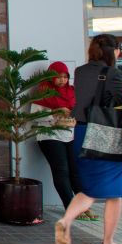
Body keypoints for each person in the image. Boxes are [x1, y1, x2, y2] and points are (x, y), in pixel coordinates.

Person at [54, 34, 122, 244]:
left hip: (80, 131)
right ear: (112, 51)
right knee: (115, 192)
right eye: (118, 50)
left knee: (89, 188)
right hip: (105, 133)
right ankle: (108, 242)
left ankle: (66, 220)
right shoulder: (112, 73)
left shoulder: (80, 71)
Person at [32, 62, 86, 217]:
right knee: (61, 170)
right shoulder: (43, 92)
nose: (62, 80)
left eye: (65, 76)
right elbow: (35, 116)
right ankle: (70, 207)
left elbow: (79, 110)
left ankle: (82, 206)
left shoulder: (72, 92)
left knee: (75, 171)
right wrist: (55, 112)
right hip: (49, 135)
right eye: (58, 76)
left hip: (68, 134)